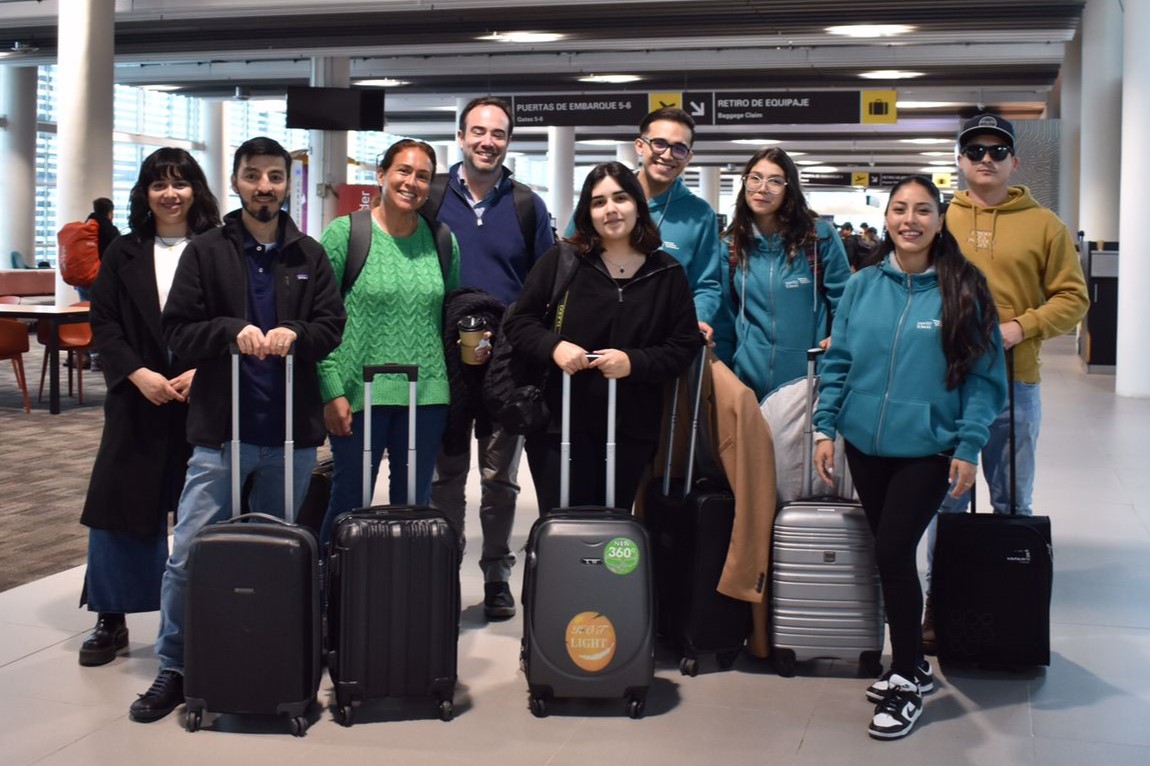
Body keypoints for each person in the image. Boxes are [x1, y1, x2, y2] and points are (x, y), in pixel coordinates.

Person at [129, 136, 345, 723]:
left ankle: (267, 659)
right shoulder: (205, 251)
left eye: (276, 176)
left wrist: (297, 333)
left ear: (288, 185)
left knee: (277, 558)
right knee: (190, 556)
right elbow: (178, 330)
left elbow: (332, 326)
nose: (265, 186)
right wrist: (230, 330)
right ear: (235, 182)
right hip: (221, 436)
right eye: (253, 176)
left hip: (290, 440)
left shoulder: (308, 253)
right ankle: (174, 665)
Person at [812, 175, 1007, 740]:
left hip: (929, 446)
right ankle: (915, 667)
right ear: (888, 217)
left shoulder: (965, 287)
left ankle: (903, 676)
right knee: (890, 556)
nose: (910, 220)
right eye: (899, 209)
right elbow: (841, 358)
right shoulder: (864, 284)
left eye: (923, 210)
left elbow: (984, 378)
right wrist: (826, 427)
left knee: (894, 551)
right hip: (865, 445)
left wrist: (969, 445)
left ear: (940, 220)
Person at [924, 113, 1090, 650]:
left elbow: (1073, 298)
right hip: (944, 385)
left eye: (998, 151)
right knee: (943, 501)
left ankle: (1012, 599)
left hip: (1014, 386)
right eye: (975, 151)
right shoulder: (939, 219)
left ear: (1015, 162)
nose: (986, 159)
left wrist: (1022, 326)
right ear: (960, 160)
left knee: (1013, 499)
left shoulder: (1045, 225)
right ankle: (941, 605)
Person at [78, 148, 221, 667]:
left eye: (180, 183)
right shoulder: (124, 252)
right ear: (144, 193)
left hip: (202, 397)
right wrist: (138, 374)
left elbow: (237, 316)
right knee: (120, 503)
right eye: (158, 184)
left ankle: (200, 615)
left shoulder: (217, 246)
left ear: (196, 190)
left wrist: (203, 370)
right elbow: (105, 322)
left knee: (201, 509)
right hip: (136, 396)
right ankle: (110, 616)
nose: (170, 193)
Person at [505, 161, 701, 516]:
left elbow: (683, 345)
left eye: (620, 198)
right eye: (598, 202)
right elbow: (521, 323)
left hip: (630, 428)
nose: (610, 209)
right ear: (588, 213)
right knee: (563, 527)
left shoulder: (667, 273)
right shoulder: (563, 260)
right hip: (560, 425)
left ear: (637, 205)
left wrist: (634, 362)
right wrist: (555, 346)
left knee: (614, 530)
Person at [427, 97, 554, 621]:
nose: (487, 141)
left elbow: (546, 285)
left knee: (500, 478)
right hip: (444, 361)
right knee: (447, 477)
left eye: (498, 133)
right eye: (477, 131)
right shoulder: (431, 196)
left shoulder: (527, 205)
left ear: (508, 141)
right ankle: (440, 571)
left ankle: (497, 573)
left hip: (507, 364)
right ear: (459, 136)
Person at [316, 139, 460, 545]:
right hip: (357, 393)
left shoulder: (442, 241)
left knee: (414, 506)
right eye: (403, 171)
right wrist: (330, 391)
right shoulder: (346, 234)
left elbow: (448, 318)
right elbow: (319, 319)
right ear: (381, 174)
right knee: (350, 502)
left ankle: (403, 597)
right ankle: (331, 593)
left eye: (423, 176)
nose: (411, 182)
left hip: (426, 394)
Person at [564, 107, 721, 345]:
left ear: (688, 157)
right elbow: (567, 261)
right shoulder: (603, 200)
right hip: (593, 333)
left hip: (662, 342)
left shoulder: (699, 215)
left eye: (679, 148)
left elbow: (706, 284)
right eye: (659, 143)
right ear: (640, 145)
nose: (667, 155)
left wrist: (696, 320)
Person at [712, 146, 851, 400]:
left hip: (808, 380)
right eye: (755, 178)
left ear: (789, 189)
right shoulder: (731, 245)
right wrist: (725, 376)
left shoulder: (817, 238)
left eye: (775, 181)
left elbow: (845, 300)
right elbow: (724, 317)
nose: (762, 188)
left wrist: (837, 345)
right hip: (746, 381)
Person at [75, 198, 122, 369]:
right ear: (110, 211)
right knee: (102, 318)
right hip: (101, 280)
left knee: (87, 316)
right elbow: (120, 256)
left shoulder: (85, 227)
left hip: (82, 279)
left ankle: (88, 355)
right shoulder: (109, 229)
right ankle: (97, 357)